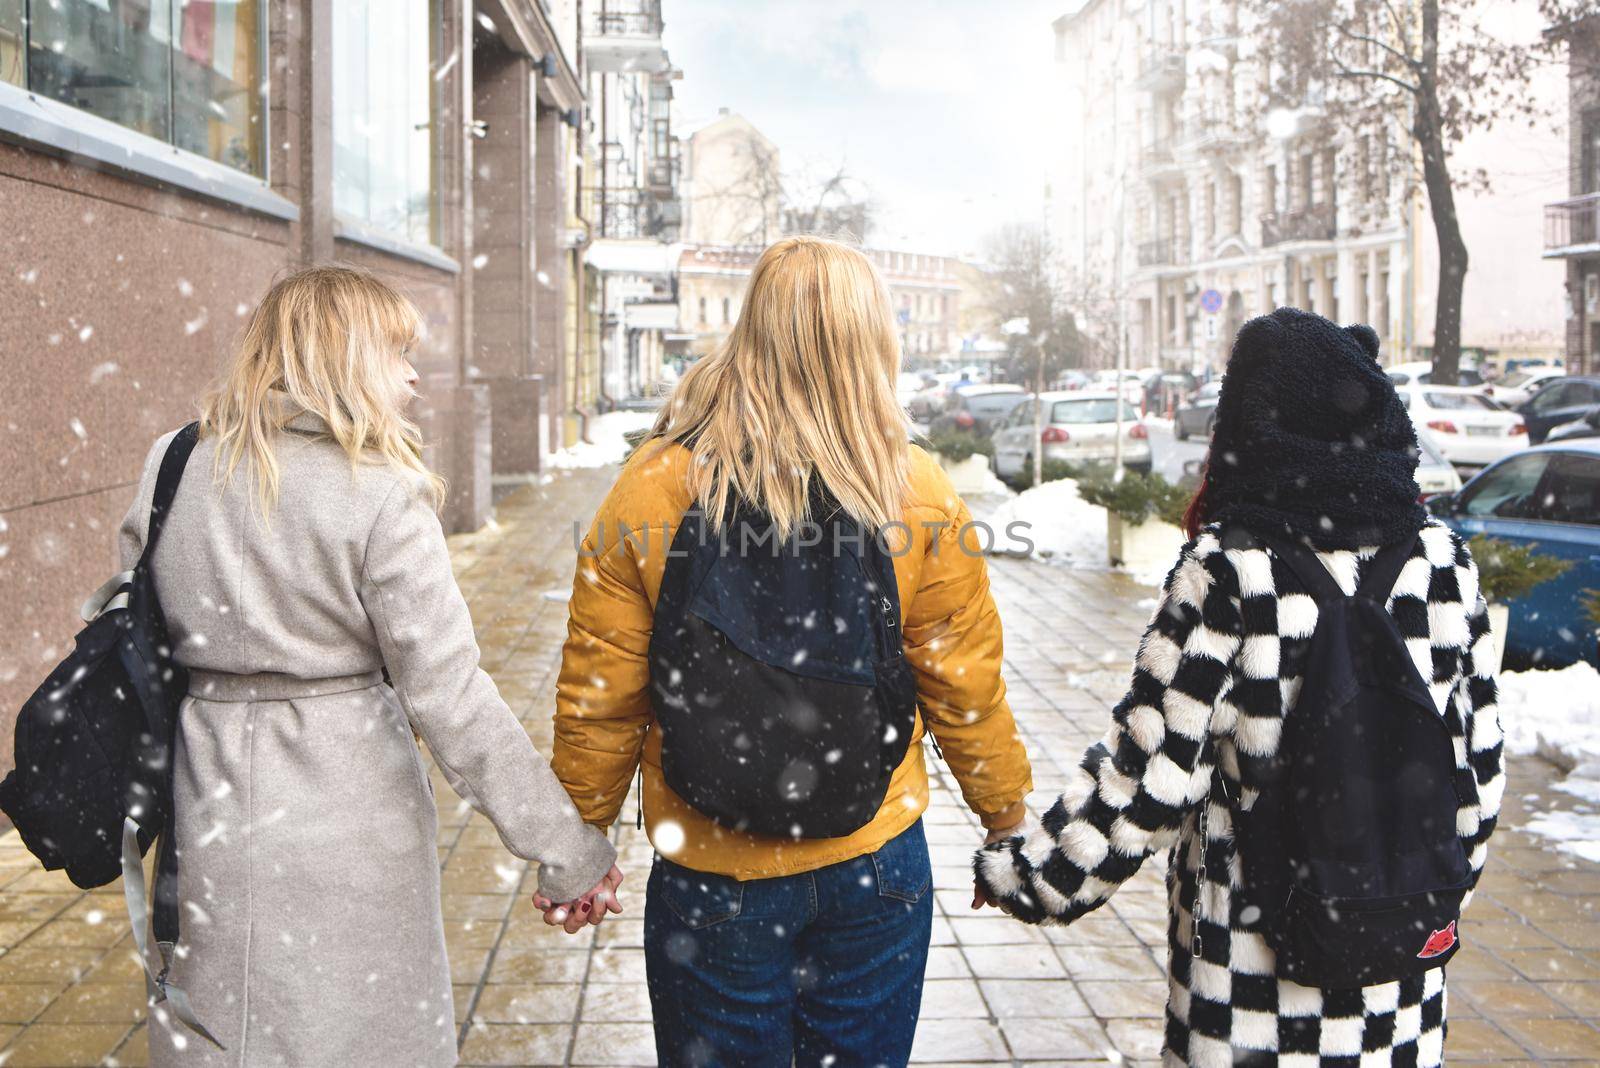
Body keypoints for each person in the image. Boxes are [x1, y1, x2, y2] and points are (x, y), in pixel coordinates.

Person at [974, 308, 1506, 1068]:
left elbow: (1150, 778)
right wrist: (1399, 905)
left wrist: (1028, 878)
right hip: (1398, 984)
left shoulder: (1232, 570)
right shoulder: (1443, 564)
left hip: (1251, 976)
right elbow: (1478, 775)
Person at [549, 235, 1033, 1067]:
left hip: (712, 863)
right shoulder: (913, 487)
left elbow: (603, 689)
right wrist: (1007, 821)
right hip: (874, 857)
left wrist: (576, 846)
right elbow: (964, 682)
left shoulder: (656, 483)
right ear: (871, 341)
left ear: (749, 332)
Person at [123, 266, 620, 1065]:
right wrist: (567, 849)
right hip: (348, 808)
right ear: (343, 360)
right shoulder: (380, 493)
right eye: (396, 354)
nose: (414, 374)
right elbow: (451, 699)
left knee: (222, 1021)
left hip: (203, 797)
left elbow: (129, 622)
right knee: (354, 1031)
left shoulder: (174, 463)